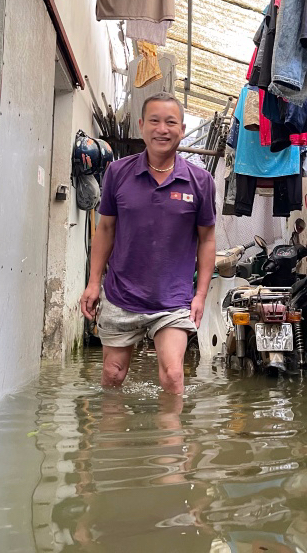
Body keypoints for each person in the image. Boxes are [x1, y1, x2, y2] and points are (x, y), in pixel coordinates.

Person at [80, 92, 216, 394]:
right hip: (121, 294)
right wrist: (93, 283)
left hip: (173, 300)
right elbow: (105, 229)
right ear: (141, 126)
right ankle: (110, 440)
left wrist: (201, 295)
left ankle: (168, 441)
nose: (162, 129)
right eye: (154, 121)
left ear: (181, 129)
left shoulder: (201, 181)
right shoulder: (118, 172)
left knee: (173, 376)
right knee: (113, 375)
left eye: (171, 122)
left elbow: (207, 240)